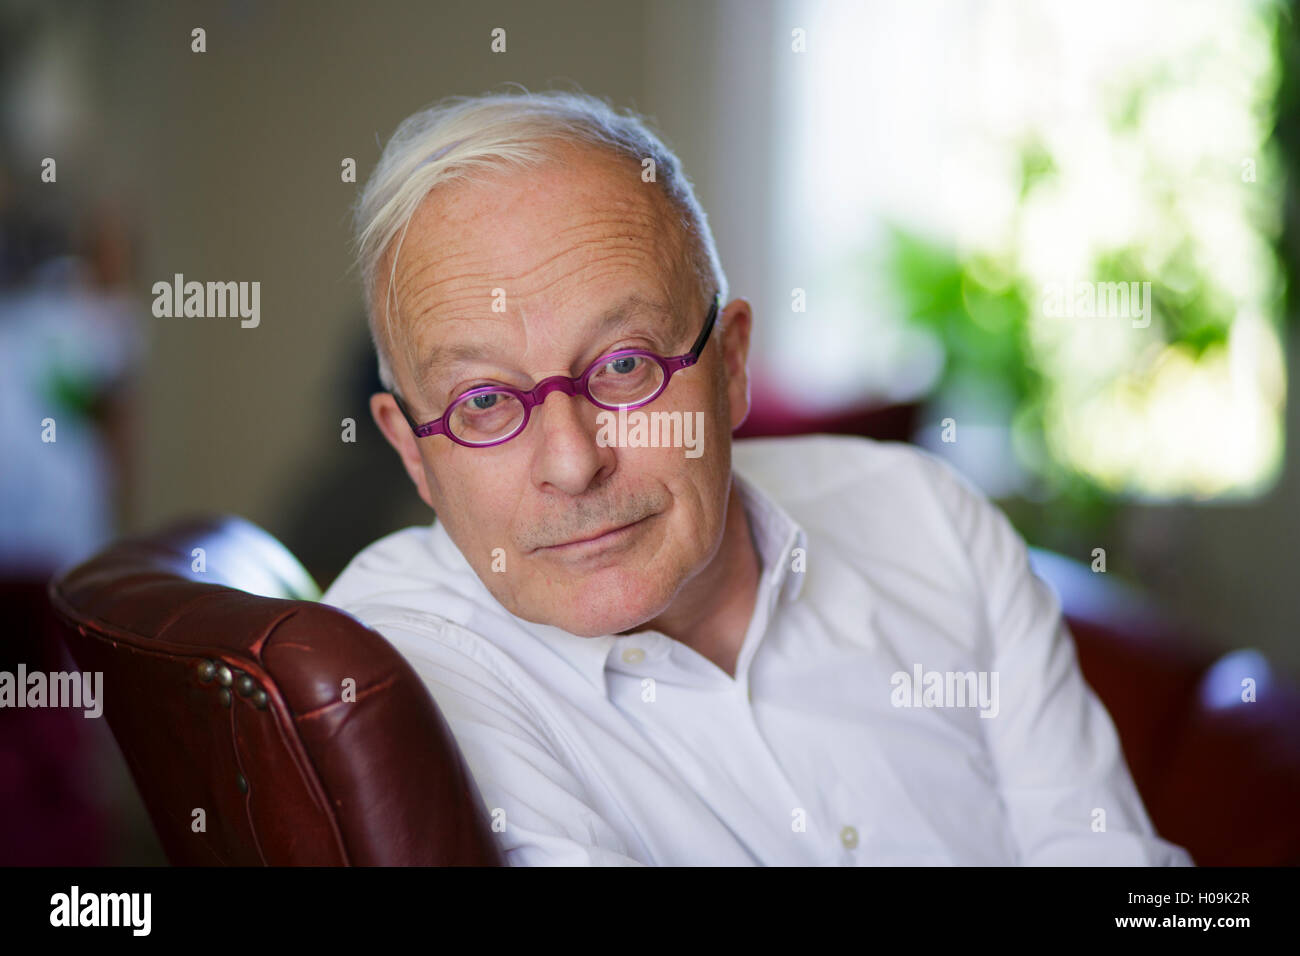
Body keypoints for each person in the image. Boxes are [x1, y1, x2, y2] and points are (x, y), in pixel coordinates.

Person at [322, 89, 1193, 866]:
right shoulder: (395, 672)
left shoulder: (927, 519)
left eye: (625, 365)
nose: (572, 460)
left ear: (730, 364)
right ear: (412, 451)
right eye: (482, 401)